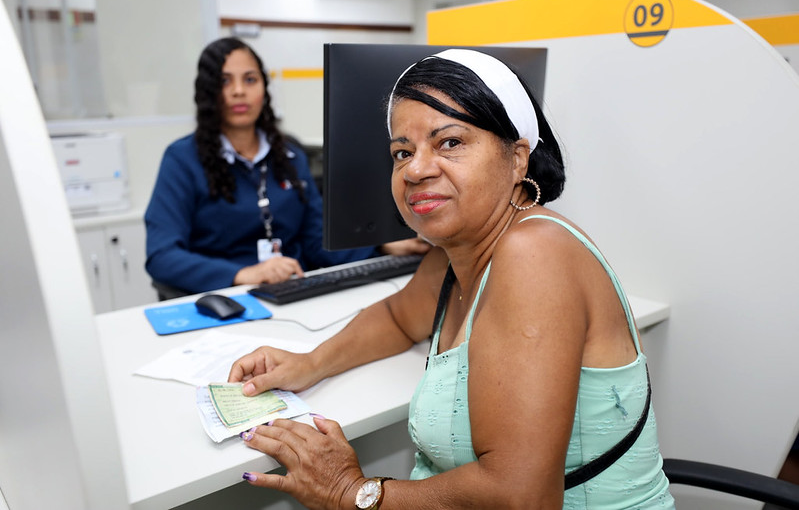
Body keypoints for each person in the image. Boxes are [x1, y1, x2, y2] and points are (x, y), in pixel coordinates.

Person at [228, 49, 675, 509]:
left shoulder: (534, 253)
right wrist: (310, 363)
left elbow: (520, 498)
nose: (416, 169)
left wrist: (349, 492)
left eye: (450, 143)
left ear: (518, 158)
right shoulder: (455, 253)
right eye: (402, 152)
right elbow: (398, 318)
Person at [144, 37, 429, 297]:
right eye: (224, 81)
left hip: (291, 292)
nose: (239, 91)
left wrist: (380, 247)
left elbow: (317, 242)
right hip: (226, 298)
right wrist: (242, 274)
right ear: (208, 92)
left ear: (264, 88)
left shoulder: (289, 154)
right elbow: (162, 256)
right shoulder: (182, 159)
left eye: (250, 79)